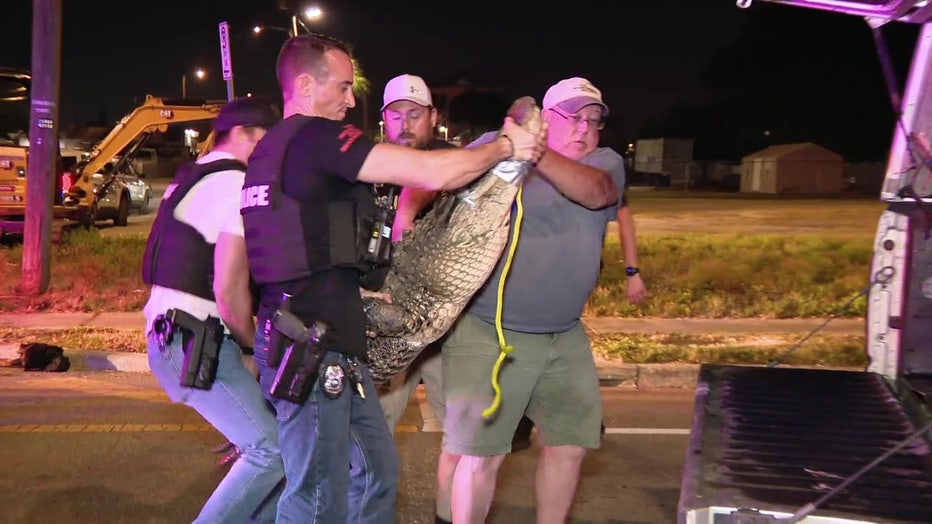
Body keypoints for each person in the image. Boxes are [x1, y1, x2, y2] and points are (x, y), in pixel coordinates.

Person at [241, 34, 546, 523]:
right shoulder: (313, 137)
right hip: (316, 347)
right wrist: (505, 147)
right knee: (318, 496)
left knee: (376, 471)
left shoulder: (272, 149)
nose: (350, 99)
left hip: (327, 337)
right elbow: (430, 172)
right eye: (341, 86)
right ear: (305, 84)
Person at [439, 77, 625, 523]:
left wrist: (535, 150)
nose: (585, 128)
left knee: (569, 447)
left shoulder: (604, 163)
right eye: (573, 117)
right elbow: (440, 174)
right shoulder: (499, 144)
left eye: (593, 119)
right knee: (482, 456)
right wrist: (410, 209)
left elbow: (597, 193)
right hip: (490, 330)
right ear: (546, 116)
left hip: (564, 334)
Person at [141, 96, 284, 523]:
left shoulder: (196, 174)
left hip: (183, 336)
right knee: (270, 449)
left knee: (275, 455)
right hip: (193, 340)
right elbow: (228, 288)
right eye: (265, 143)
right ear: (242, 135)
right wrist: (253, 342)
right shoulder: (233, 183)